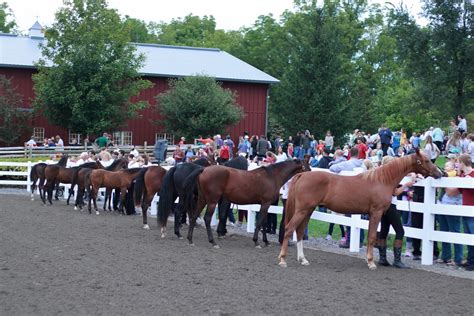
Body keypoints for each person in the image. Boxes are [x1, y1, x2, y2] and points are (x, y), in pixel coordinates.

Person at [376, 156, 411, 269]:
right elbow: (394, 192)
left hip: (383, 205)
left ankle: (382, 258)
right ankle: (397, 260)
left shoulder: (381, 175)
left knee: (384, 230)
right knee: (400, 231)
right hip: (390, 205)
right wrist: (406, 185)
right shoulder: (390, 176)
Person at [435, 161, 463, 267]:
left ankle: (458, 258)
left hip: (453, 207)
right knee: (443, 231)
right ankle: (446, 256)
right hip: (442, 205)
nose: (446, 168)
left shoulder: (458, 178)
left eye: (449, 166)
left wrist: (443, 182)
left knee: (455, 232)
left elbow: (451, 192)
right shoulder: (448, 177)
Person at [458, 154, 474, 271]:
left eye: (459, 162)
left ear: (463, 163)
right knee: (468, 235)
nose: (457, 165)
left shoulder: (472, 175)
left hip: (472, 209)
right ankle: (470, 259)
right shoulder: (462, 175)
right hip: (465, 209)